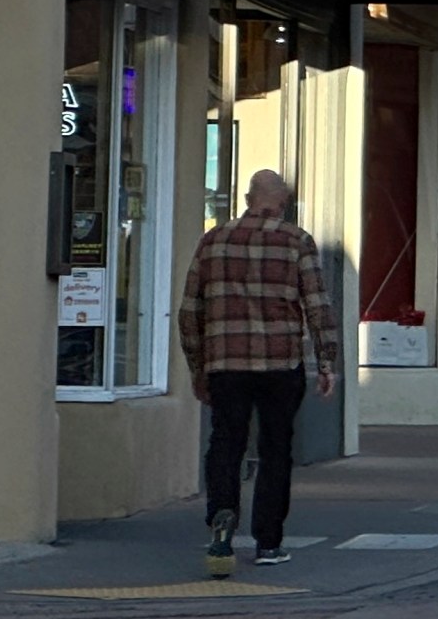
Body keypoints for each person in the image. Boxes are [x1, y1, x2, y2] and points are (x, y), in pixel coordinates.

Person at [180, 169, 339, 577]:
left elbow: (190, 310)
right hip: (280, 364)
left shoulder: (213, 240)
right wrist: (327, 361)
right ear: (281, 203)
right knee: (275, 450)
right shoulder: (296, 241)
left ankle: (222, 518)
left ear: (247, 197)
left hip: (226, 364)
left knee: (225, 443)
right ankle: (268, 543)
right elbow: (318, 306)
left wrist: (199, 367)